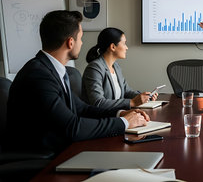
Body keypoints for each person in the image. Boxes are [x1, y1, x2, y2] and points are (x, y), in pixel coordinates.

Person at [6, 10, 149, 154]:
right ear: (70, 42)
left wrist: (121, 114)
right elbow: (73, 127)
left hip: (61, 149)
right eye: (80, 38)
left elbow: (82, 109)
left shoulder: (54, 70)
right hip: (44, 159)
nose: (81, 43)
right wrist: (124, 123)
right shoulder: (39, 75)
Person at [82, 27, 156, 109]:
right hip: (100, 119)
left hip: (115, 114)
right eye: (124, 43)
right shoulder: (94, 68)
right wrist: (132, 102)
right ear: (113, 47)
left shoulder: (116, 67)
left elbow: (126, 91)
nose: (126, 48)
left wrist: (144, 96)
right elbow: (98, 102)